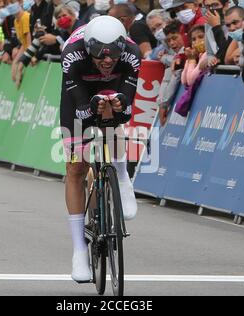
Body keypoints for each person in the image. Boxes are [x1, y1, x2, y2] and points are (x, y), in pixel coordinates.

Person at [49, 15, 140, 282]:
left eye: (113, 54)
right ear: (88, 48)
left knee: (113, 122)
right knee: (76, 167)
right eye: (100, 54)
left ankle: (122, 177)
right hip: (80, 91)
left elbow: (128, 108)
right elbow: (80, 108)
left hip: (113, 86)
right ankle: (79, 250)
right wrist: (93, 105)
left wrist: (117, 104)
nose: (107, 59)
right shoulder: (72, 54)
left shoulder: (132, 54)